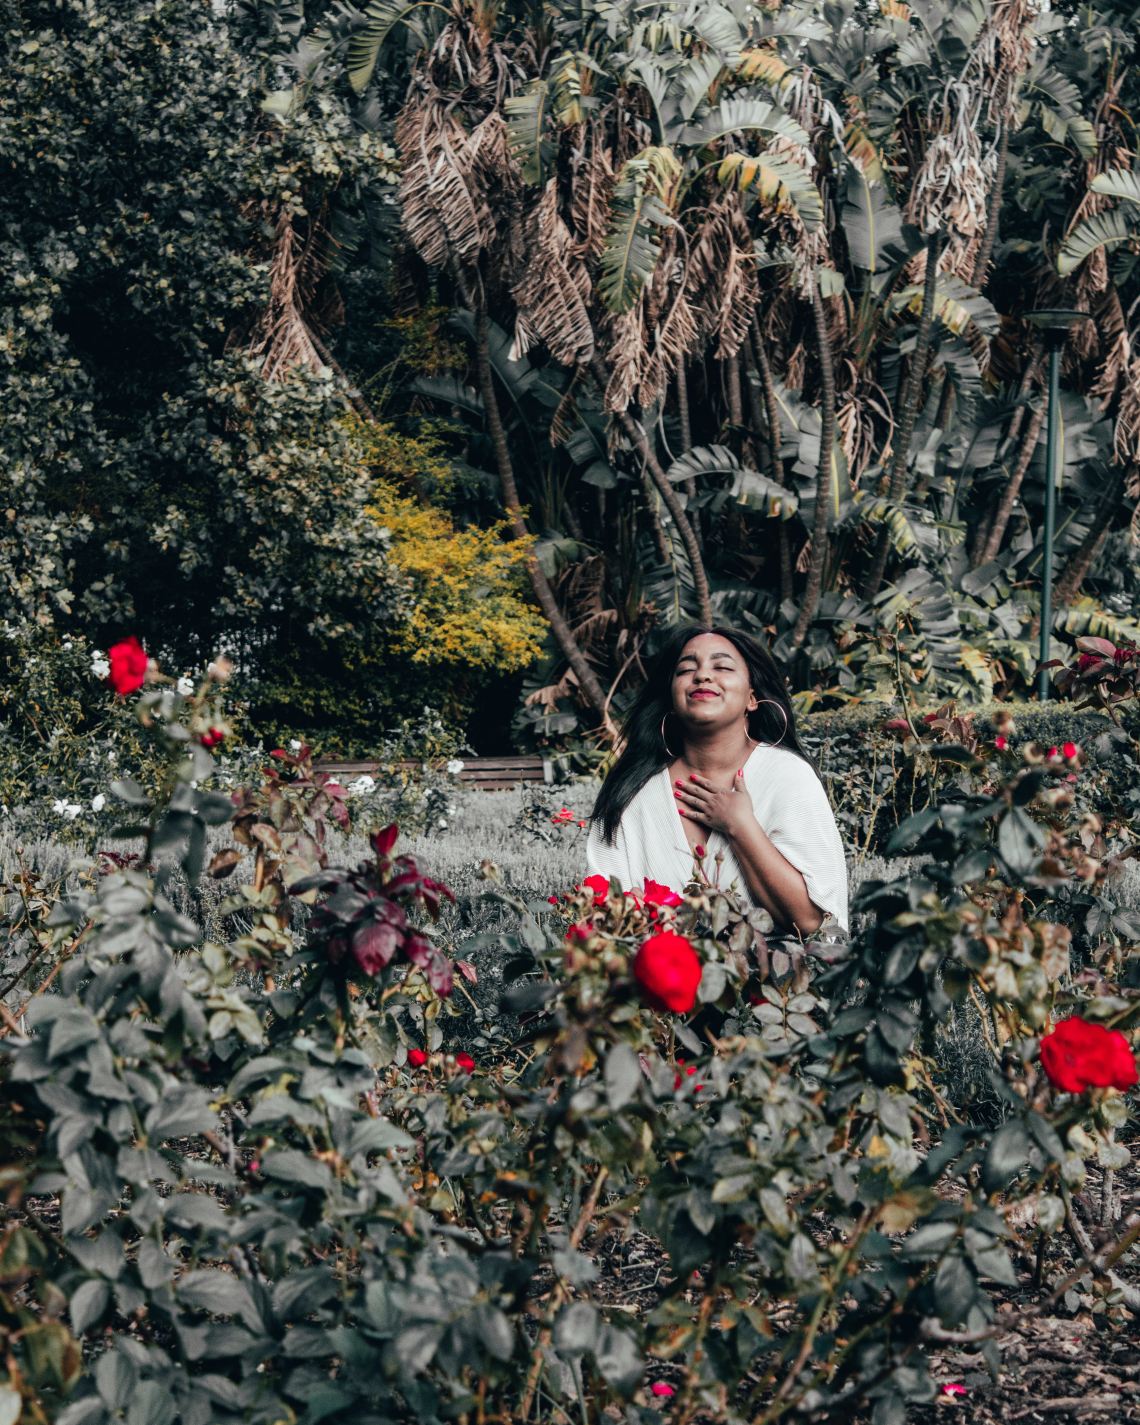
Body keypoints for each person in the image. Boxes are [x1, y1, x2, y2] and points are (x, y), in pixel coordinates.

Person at [586, 624, 848, 937]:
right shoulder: (632, 790)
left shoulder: (788, 776)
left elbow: (812, 924)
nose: (702, 676)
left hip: (774, 982)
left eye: (722, 666)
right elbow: (601, 921)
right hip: (651, 981)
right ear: (671, 696)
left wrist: (740, 826)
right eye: (686, 669)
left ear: (752, 697)